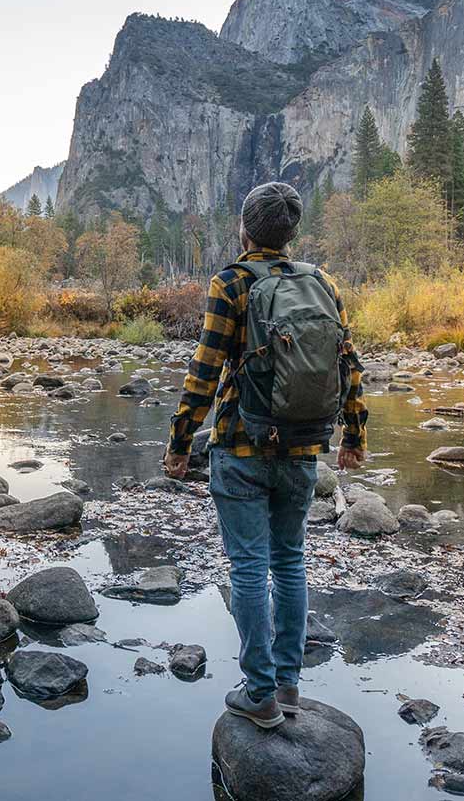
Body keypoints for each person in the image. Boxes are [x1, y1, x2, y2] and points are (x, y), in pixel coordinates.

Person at [163, 181, 367, 729]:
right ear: (292, 233)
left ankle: (259, 693)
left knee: (249, 568)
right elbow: (347, 362)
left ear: (245, 228)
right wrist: (355, 436)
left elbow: (204, 372)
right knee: (290, 561)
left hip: (241, 445)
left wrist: (181, 442)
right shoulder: (321, 282)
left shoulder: (230, 283)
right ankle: (290, 685)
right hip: (303, 446)